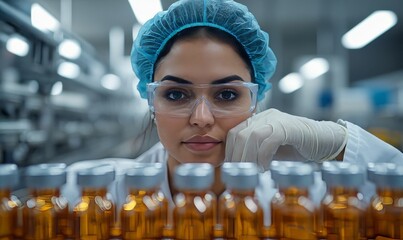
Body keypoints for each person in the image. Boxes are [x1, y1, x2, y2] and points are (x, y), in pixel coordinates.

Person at [64, 0, 402, 226]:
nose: (201, 118)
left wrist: (339, 141)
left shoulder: (300, 200)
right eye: (176, 94)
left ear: (257, 101)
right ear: (151, 101)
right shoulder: (93, 195)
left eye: (227, 94)